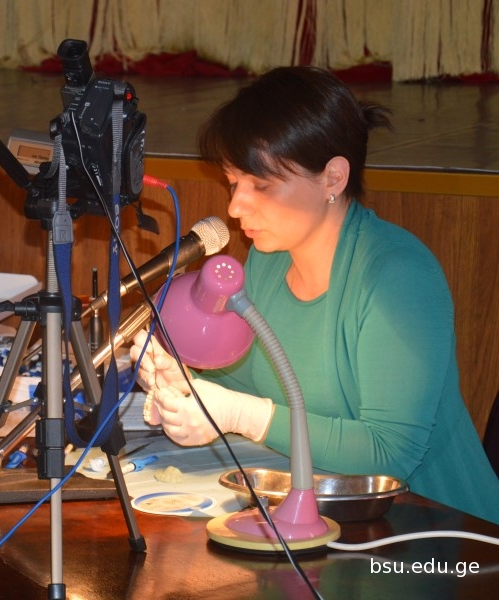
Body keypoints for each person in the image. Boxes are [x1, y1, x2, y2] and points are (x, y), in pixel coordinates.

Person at [130, 66, 499, 525]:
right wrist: (189, 385)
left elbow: (389, 455)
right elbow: (253, 385)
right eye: (233, 182)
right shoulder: (268, 259)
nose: (235, 207)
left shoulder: (398, 275)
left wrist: (240, 415)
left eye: (261, 185)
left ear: (333, 178)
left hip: (442, 535)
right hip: (330, 522)